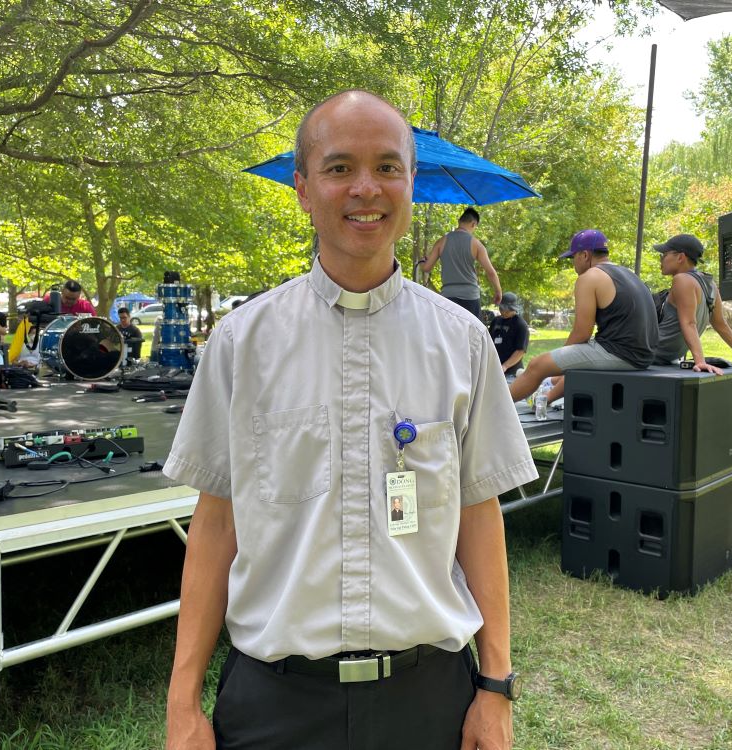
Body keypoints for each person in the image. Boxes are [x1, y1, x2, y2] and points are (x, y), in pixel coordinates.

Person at [164, 89, 536, 750]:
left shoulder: (462, 343)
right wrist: (183, 703)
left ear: (411, 184)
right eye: (339, 168)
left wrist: (497, 685)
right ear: (303, 188)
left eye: (387, 167)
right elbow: (216, 524)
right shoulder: (241, 342)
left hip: (429, 702)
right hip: (274, 703)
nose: (366, 187)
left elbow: (479, 517)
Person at [509, 229, 658, 407]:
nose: (573, 264)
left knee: (537, 365)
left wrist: (554, 365)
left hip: (621, 354)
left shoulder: (589, 277)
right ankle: (546, 398)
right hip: (645, 354)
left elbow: (582, 333)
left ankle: (494, 407)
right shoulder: (629, 274)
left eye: (574, 258)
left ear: (585, 255)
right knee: (568, 366)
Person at [650, 234, 732, 374]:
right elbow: (721, 324)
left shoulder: (682, 280)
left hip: (651, 354)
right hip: (667, 358)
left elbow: (690, 323)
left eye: (664, 255)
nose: (661, 260)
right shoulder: (711, 285)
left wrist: (700, 362)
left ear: (680, 257)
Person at [418, 207, 503, 319]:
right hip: (470, 296)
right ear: (473, 224)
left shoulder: (441, 241)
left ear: (459, 221)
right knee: (472, 334)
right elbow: (491, 272)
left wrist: (422, 261)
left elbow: (426, 268)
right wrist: (498, 291)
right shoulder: (476, 244)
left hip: (448, 296)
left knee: (449, 334)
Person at [489, 292, 530, 379]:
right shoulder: (496, 321)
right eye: (501, 309)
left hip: (511, 373)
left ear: (513, 309)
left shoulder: (521, 324)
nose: (503, 312)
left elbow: (520, 351)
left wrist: (505, 366)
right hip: (494, 369)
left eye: (507, 310)